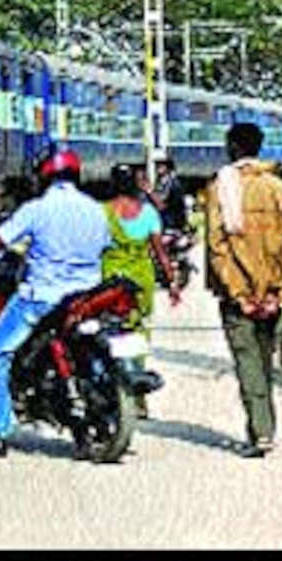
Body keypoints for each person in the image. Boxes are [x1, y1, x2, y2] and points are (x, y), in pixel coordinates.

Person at [0, 149, 111, 459]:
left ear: (45, 176)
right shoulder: (96, 209)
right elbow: (103, 246)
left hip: (42, 296)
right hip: (86, 296)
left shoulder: (37, 209)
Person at [206, 122, 282, 459]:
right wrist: (278, 290)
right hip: (271, 294)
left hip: (239, 297)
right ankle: (265, 428)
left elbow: (218, 246)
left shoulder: (222, 187)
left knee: (248, 364)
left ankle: (261, 432)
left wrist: (239, 293)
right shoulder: (278, 187)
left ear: (233, 147)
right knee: (262, 360)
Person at [102, 163, 183, 419]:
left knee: (107, 334)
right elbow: (160, 252)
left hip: (110, 280)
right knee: (137, 334)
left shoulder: (102, 212)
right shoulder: (147, 212)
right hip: (140, 282)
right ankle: (136, 394)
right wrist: (172, 282)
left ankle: (113, 390)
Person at [146, 157, 189, 233]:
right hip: (164, 223)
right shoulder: (160, 182)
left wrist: (149, 192)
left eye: (161, 165)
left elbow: (162, 204)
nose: (158, 167)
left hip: (171, 224)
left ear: (168, 167)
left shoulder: (172, 183)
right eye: (157, 165)